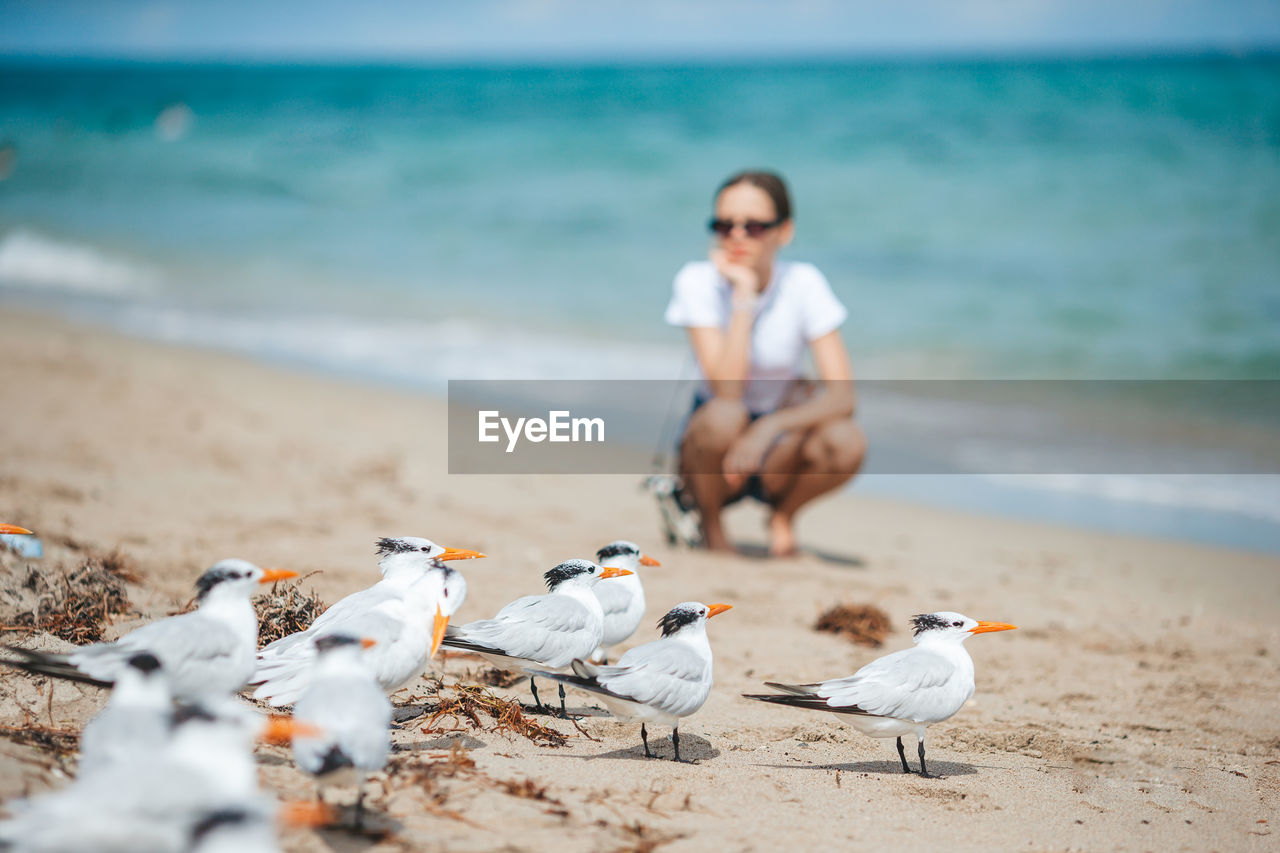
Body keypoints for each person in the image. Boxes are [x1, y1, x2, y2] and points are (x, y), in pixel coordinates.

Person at [664, 170, 866, 557]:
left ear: (783, 231)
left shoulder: (804, 283)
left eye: (754, 226)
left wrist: (771, 426)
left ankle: (783, 516)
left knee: (846, 439)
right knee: (725, 413)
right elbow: (727, 390)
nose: (737, 235)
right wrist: (744, 298)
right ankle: (711, 525)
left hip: (777, 448)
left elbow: (843, 396)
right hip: (712, 456)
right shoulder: (696, 280)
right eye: (724, 225)